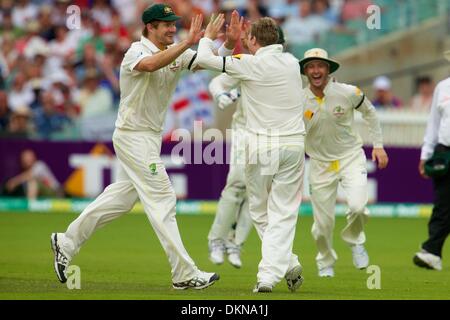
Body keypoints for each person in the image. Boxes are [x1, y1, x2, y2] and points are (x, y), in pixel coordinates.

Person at [50, 4, 237, 290]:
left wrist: (226, 43)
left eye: (175, 24)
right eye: (167, 25)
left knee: (121, 199)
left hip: (148, 136)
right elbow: (151, 65)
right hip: (132, 135)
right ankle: (184, 273)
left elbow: (206, 63)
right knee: (163, 198)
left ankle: (66, 241)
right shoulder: (135, 52)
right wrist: (190, 42)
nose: (173, 29)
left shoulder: (176, 51)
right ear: (150, 26)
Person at [197, 14, 305, 293]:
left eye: (249, 37)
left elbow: (204, 61)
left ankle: (268, 276)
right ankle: (288, 262)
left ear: (254, 40)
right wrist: (237, 44)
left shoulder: (249, 64)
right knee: (284, 213)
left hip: (262, 148)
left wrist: (212, 38)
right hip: (294, 148)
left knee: (260, 211)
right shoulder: (293, 63)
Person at [299, 48, 389, 277]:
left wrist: (378, 145)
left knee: (358, 206)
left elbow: (370, 113)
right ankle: (326, 261)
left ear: (328, 69)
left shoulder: (348, 92)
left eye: (320, 66)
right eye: (311, 66)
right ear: (305, 71)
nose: (316, 70)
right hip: (320, 164)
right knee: (322, 226)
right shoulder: (299, 99)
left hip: (350, 157)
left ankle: (355, 240)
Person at [207, 26, 286, 269]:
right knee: (238, 182)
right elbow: (217, 82)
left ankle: (236, 243)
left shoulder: (287, 69)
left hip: (271, 135)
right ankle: (217, 240)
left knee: (258, 193)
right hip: (244, 131)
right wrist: (220, 95)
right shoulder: (246, 62)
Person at [414, 51, 450, 271]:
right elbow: (433, 125)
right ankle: (432, 252)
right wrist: (426, 154)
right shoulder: (443, 87)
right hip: (445, 151)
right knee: (443, 204)